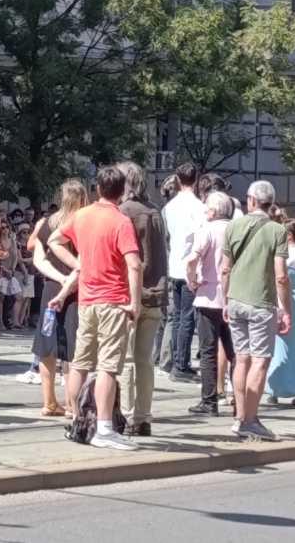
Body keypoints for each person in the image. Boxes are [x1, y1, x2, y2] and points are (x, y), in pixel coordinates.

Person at [47, 164, 142, 451]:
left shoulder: (82, 216)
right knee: (108, 367)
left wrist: (79, 265)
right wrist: (134, 302)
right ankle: (103, 427)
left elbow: (54, 241)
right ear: (122, 191)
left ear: (97, 189)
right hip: (113, 300)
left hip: (87, 300)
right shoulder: (121, 221)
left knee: (80, 363)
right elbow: (134, 264)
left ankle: (76, 419)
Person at [218, 179, 289, 442]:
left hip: (235, 299)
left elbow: (225, 268)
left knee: (242, 358)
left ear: (250, 200)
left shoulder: (233, 226)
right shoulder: (277, 231)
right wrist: (286, 309)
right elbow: (281, 275)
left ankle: (239, 417)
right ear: (270, 203)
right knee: (260, 360)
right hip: (261, 302)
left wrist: (225, 299)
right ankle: (250, 419)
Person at [117, 162, 168, 437]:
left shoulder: (124, 212)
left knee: (125, 361)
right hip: (156, 293)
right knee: (145, 360)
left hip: (130, 294)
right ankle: (144, 417)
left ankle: (126, 416)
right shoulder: (155, 212)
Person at [30, 179, 86, 417]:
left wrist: (58, 279)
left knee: (47, 346)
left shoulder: (47, 223)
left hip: (50, 291)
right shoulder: (84, 222)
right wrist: (68, 280)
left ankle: (49, 401)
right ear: (83, 198)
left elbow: (38, 260)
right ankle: (72, 405)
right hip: (76, 292)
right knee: (72, 350)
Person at [188, 190, 235, 415]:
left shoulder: (207, 230)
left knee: (207, 350)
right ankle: (240, 399)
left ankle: (209, 401)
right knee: (234, 351)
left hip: (207, 295)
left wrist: (191, 279)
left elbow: (192, 257)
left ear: (214, 211)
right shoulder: (236, 229)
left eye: (207, 207)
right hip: (233, 296)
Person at [265, 218, 295, 407]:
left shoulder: (285, 254)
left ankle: (275, 388)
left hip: (285, 303)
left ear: (289, 235)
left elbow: (280, 279)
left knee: (280, 346)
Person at [161, 162, 202, 383]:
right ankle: (181, 364)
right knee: (187, 317)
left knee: (177, 315)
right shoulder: (198, 207)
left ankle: (177, 360)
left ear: (177, 179)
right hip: (189, 267)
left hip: (173, 263)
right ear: (195, 180)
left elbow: (167, 236)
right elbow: (200, 239)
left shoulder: (169, 207)